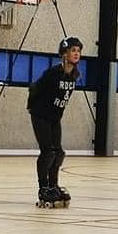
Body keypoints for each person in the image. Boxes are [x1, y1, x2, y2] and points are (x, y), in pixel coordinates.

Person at [28, 36, 82, 208]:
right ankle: (43, 188)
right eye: (73, 50)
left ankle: (53, 185)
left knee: (58, 153)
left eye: (78, 51)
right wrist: (33, 107)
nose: (76, 54)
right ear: (64, 54)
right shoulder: (53, 73)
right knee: (48, 152)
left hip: (54, 118)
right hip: (40, 115)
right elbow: (35, 88)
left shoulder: (74, 75)